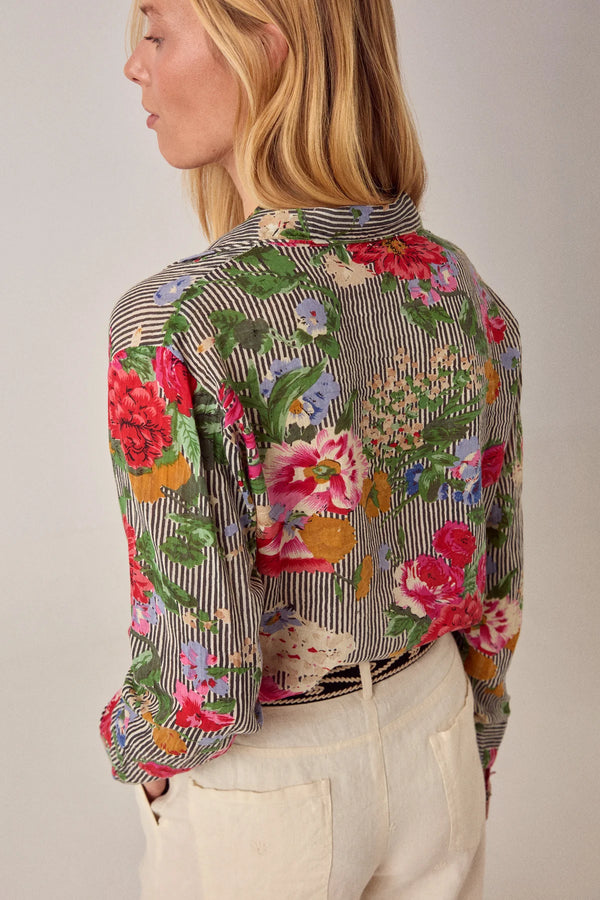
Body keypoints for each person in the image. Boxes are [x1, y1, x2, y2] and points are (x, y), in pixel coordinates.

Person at [100, 1, 523, 897]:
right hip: (436, 729)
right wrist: (472, 735)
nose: (134, 67)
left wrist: (136, 747)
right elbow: (496, 578)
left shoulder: (175, 325)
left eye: (155, 30)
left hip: (270, 782)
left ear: (264, 42)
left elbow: (203, 672)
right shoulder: (459, 285)